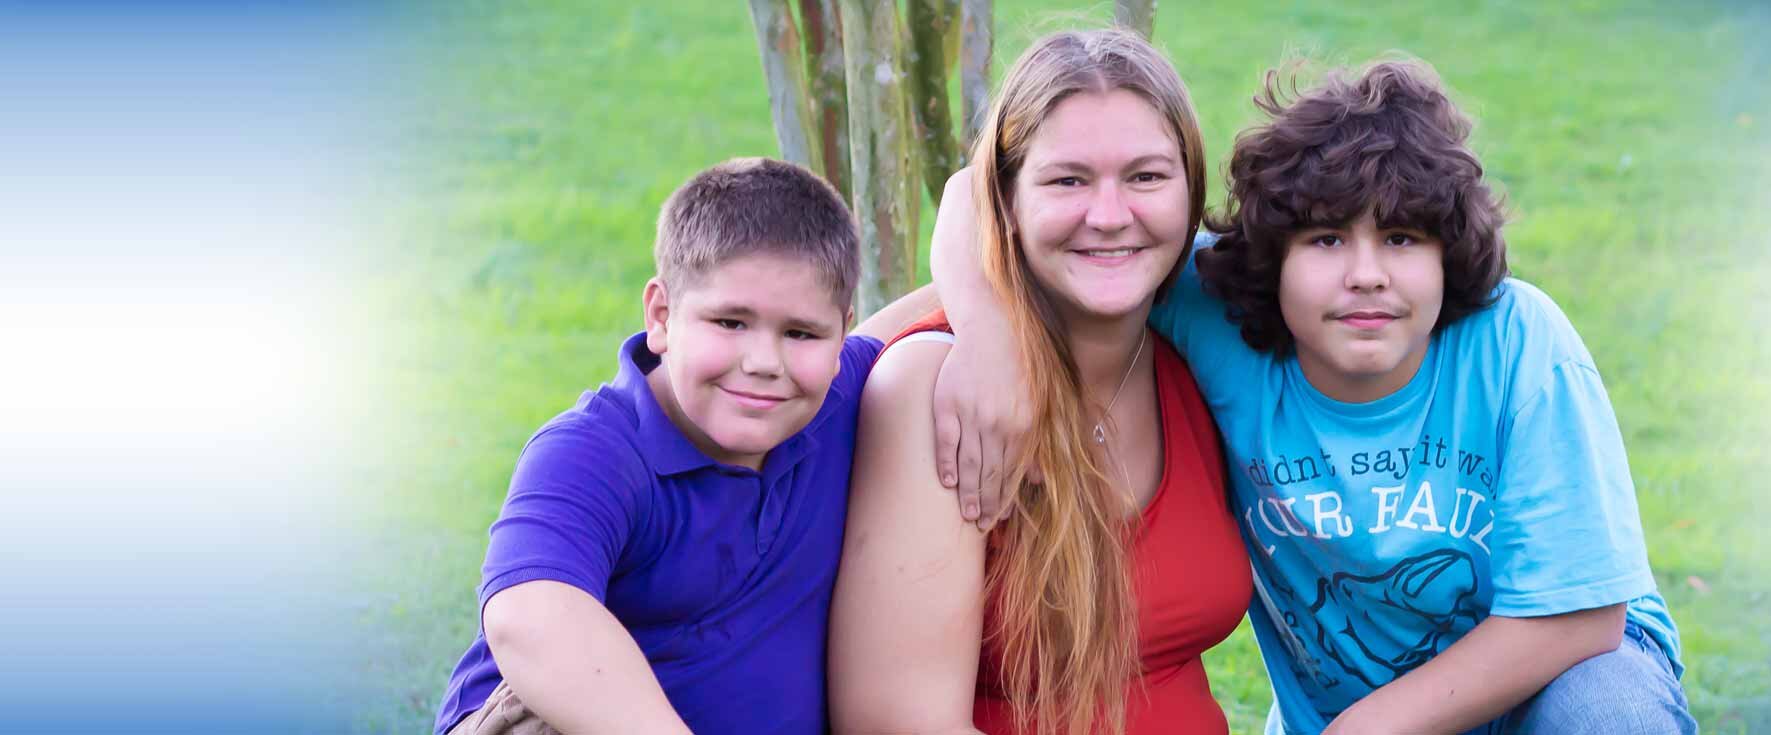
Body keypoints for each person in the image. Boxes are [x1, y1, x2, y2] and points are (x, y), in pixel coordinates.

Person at [931, 61, 1694, 734]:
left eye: (1402, 239)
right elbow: (977, 194)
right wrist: (986, 330)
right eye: (1326, 240)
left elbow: (1582, 616)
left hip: (1554, 687)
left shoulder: (1516, 340)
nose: (1366, 273)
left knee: (1611, 712)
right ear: (1268, 261)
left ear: (1448, 250)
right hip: (1342, 711)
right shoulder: (1214, 307)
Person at [827, 29, 1252, 735]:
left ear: (1191, 191)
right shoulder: (937, 389)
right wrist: (991, 332)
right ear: (1008, 203)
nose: (1111, 216)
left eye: (1146, 177)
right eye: (1067, 180)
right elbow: (897, 722)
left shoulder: (1199, 345)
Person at [433, 157, 932, 735]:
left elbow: (978, 275)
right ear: (662, 316)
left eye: (800, 333)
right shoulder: (595, 451)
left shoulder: (841, 394)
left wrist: (988, 328)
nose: (764, 363)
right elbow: (529, 614)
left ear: (839, 333)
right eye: (729, 323)